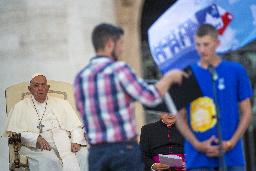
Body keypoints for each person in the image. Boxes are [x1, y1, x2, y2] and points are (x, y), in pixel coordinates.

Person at [74, 23, 187, 171]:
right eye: (120, 44)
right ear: (110, 44)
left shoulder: (80, 77)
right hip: (123, 151)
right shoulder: (120, 69)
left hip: (95, 153)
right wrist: (169, 78)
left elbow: (81, 110)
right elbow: (150, 97)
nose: (122, 49)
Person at [176, 24, 253, 171]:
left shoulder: (235, 70)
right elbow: (180, 117)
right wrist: (198, 145)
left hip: (232, 157)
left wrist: (231, 142)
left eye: (206, 44)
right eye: (198, 45)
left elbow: (247, 111)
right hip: (198, 159)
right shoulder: (187, 74)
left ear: (217, 43)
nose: (201, 49)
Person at [5, 74, 88, 171]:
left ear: (47, 88)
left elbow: (75, 126)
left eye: (43, 85)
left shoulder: (62, 103)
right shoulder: (20, 106)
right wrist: (35, 138)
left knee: (85, 154)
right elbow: (15, 132)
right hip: (36, 146)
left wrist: (76, 141)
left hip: (64, 141)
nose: (40, 88)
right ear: (30, 89)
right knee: (50, 160)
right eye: (36, 85)